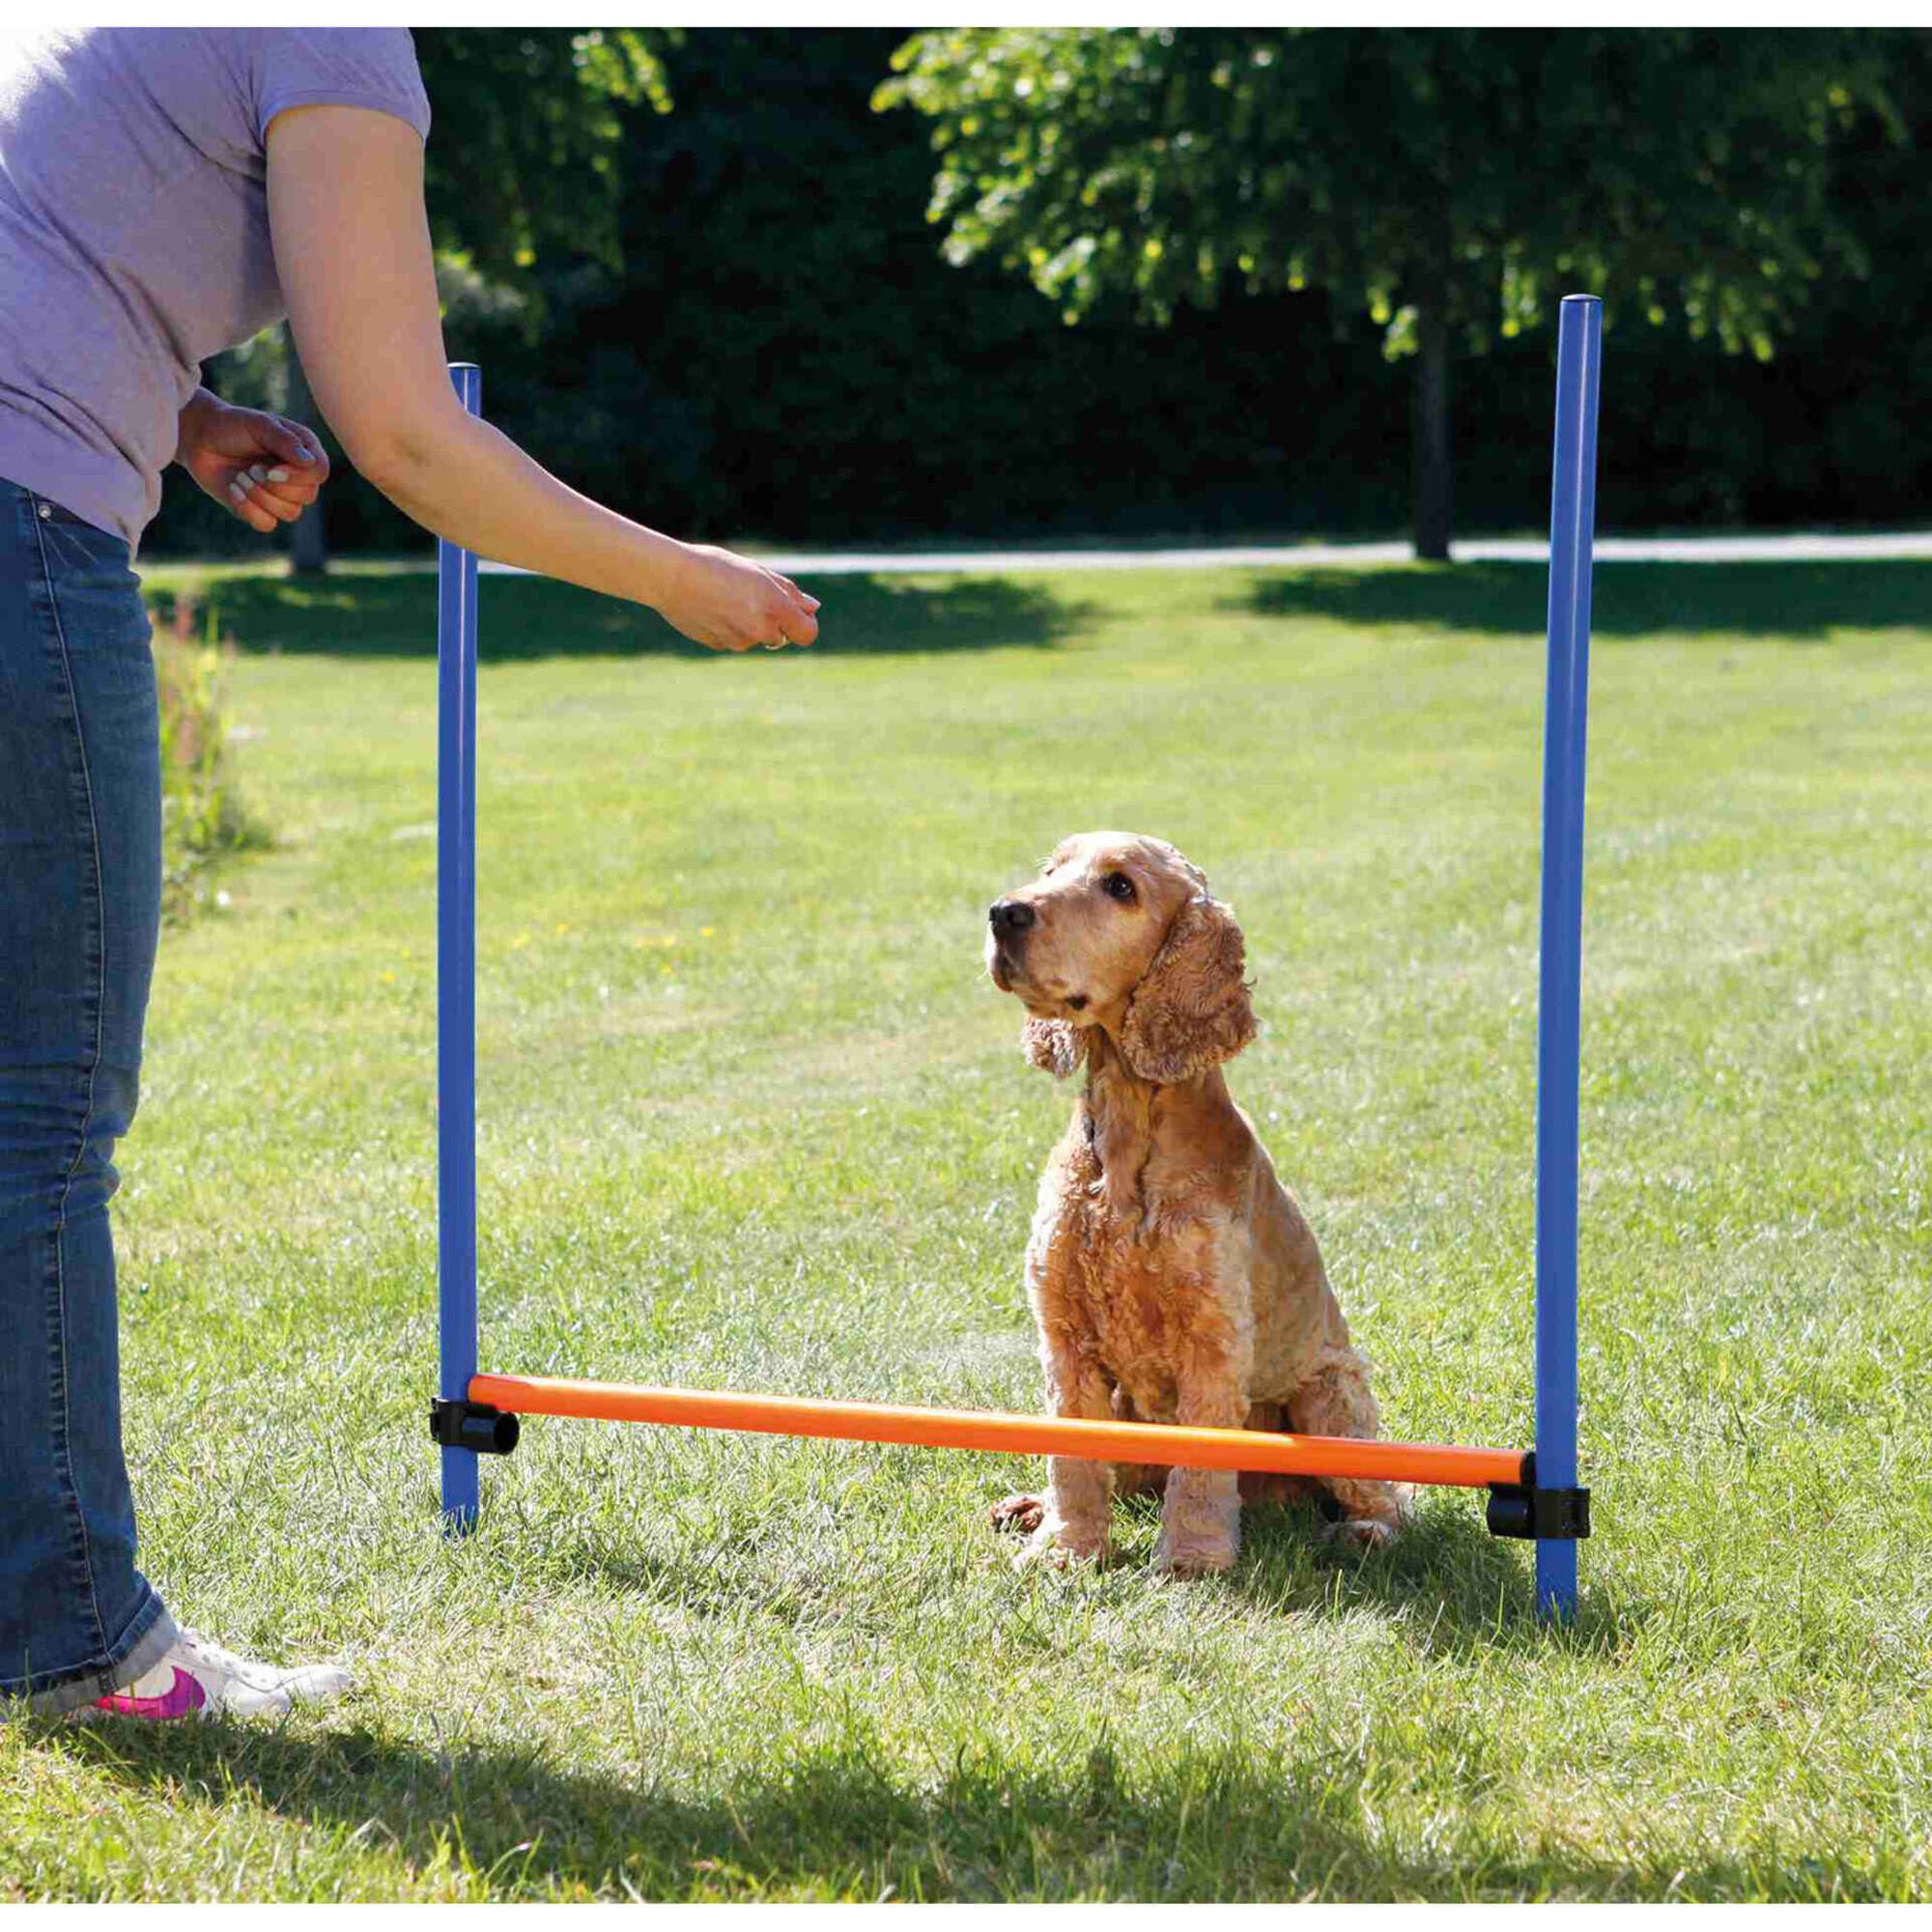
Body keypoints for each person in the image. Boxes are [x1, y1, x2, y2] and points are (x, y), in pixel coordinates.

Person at [0, 27, 819, 1721]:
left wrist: (183, 412)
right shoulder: (333, 32)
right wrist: (671, 576)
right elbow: (405, 433)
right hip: (23, 537)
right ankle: (80, 1646)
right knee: (40, 1109)